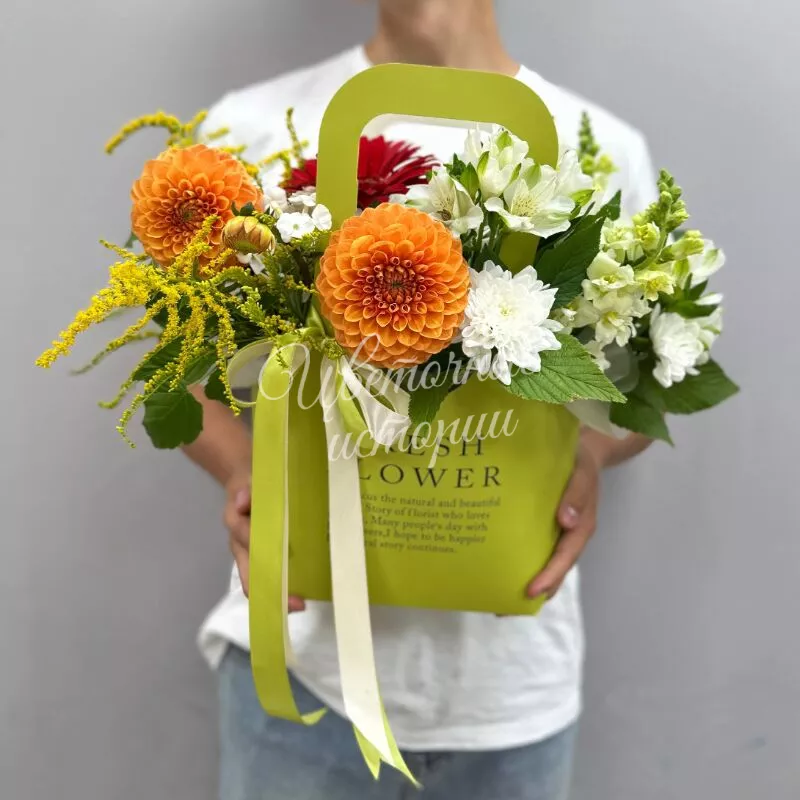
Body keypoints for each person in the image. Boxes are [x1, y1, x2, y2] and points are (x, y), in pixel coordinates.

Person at [188, 1, 655, 798]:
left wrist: (587, 458)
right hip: (304, 677)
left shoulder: (600, 148)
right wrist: (245, 472)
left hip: (510, 695)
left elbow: (642, 389)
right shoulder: (254, 129)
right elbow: (184, 375)